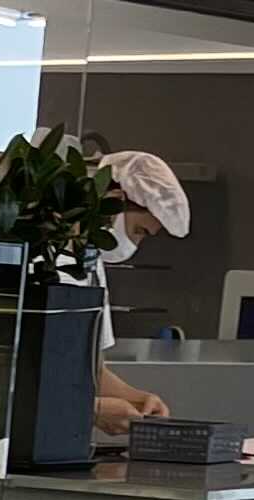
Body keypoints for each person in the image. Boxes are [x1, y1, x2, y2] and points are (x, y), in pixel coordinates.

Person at [91, 149, 190, 434]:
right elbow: (18, 371)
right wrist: (91, 410)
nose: (135, 243)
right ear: (114, 199)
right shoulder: (44, 261)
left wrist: (136, 399)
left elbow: (88, 369)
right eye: (139, 231)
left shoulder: (91, 266)